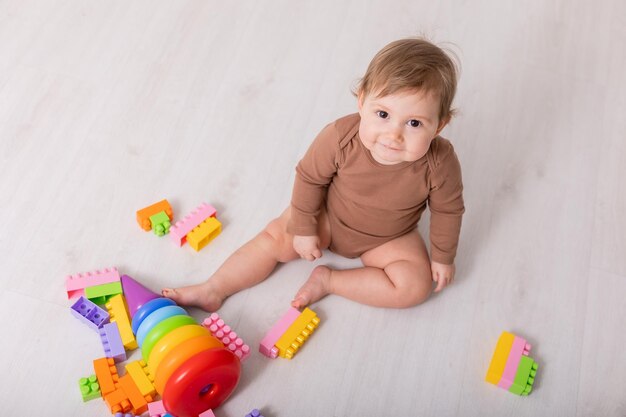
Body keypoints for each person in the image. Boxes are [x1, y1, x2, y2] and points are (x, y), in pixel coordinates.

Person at [162, 37, 465, 311]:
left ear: (438, 126)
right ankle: (214, 288)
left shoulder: (440, 162)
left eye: (414, 123)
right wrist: (305, 227)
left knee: (415, 286)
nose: (393, 135)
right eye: (383, 114)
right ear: (362, 102)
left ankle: (330, 281)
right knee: (275, 238)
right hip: (328, 216)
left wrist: (442, 256)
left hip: (389, 237)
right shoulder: (339, 137)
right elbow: (309, 178)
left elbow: (448, 210)